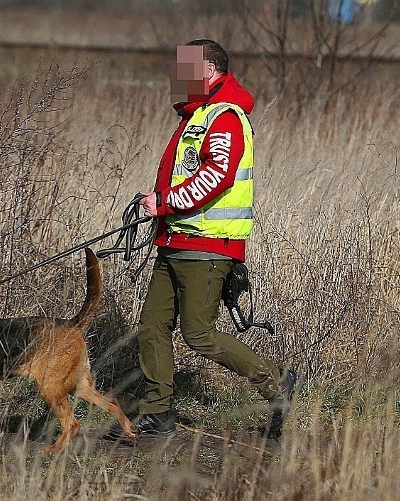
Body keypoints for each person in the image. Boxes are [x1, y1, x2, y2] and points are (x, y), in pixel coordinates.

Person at [106, 39, 296, 443]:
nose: (175, 75)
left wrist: (163, 202)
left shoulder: (224, 117)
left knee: (198, 334)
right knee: (153, 327)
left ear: (208, 70)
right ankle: (158, 413)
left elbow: (216, 176)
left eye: (183, 67)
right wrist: (158, 206)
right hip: (175, 241)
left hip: (209, 245)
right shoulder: (196, 116)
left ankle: (275, 381)